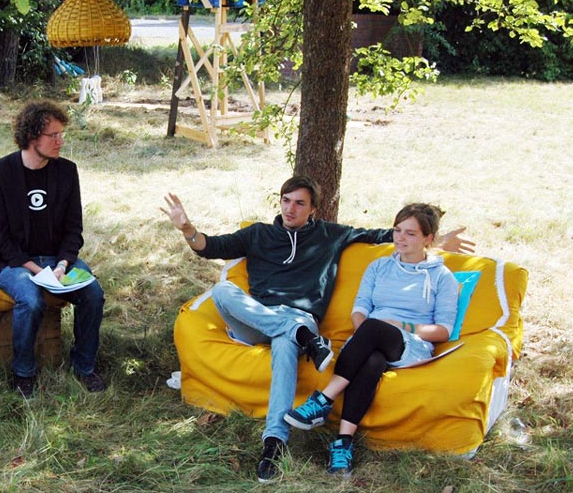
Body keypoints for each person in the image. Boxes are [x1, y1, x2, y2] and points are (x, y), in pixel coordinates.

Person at [161, 177, 473, 483]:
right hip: (259, 319)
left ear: (313, 210)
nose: (290, 209)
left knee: (286, 343)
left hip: (301, 319)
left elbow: (381, 236)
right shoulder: (258, 234)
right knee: (222, 291)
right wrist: (187, 229)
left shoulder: (330, 235)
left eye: (299, 203)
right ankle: (303, 338)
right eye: (286, 200)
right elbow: (211, 246)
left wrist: (438, 243)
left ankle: (274, 443)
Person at [283, 203, 459, 476]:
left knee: (376, 328)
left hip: (411, 345)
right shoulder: (379, 267)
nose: (400, 238)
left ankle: (323, 400)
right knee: (372, 360)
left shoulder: (441, 277)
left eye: (410, 234)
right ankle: (343, 444)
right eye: (397, 230)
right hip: (372, 339)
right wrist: (365, 332)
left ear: (429, 239)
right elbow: (360, 309)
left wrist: (399, 325)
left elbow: (443, 330)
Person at [0, 100, 105, 398]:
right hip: (11, 261)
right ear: (32, 138)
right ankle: (23, 373)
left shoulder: (67, 171)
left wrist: (61, 266)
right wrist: (36, 270)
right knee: (30, 300)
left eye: (61, 134)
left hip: (56, 260)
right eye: (53, 136)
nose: (60, 141)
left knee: (93, 294)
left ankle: (84, 366)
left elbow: (74, 229)